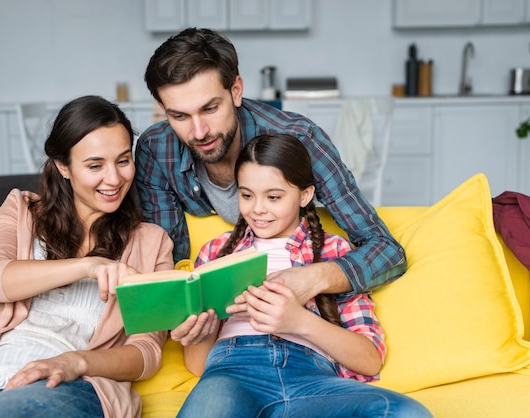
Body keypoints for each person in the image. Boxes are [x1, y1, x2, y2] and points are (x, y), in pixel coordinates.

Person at [0, 95, 174, 418]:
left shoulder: (151, 242)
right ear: (63, 166)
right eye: (94, 165)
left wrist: (75, 362)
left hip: (73, 382)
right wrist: (87, 266)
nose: (114, 179)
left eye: (122, 160)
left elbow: (145, 353)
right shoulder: (23, 211)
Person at [135, 27, 406, 322]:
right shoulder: (156, 149)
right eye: (180, 116)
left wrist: (311, 279)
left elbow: (387, 250)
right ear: (162, 108)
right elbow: (168, 260)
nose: (199, 132)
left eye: (210, 108)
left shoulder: (300, 138)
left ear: (236, 90)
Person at [174, 134, 432, 417]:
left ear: (305, 195)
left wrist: (298, 321)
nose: (257, 208)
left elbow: (370, 361)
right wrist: (201, 331)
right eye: (246, 195)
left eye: (273, 197)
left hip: (312, 379)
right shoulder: (218, 252)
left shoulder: (335, 252)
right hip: (233, 373)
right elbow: (198, 367)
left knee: (405, 412)